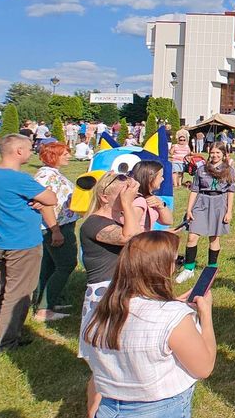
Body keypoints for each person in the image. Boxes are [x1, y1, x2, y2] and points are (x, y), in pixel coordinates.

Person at [80, 232, 217, 418]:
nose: (177, 267)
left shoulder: (98, 312)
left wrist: (167, 305)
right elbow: (204, 367)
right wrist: (206, 315)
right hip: (162, 409)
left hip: (109, 407)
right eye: (177, 261)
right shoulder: (173, 317)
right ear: (160, 268)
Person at [0, 134, 60, 352]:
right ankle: (5, 342)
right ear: (18, 151)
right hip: (21, 243)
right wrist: (39, 201)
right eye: (30, 149)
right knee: (18, 293)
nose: (31, 153)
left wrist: (33, 202)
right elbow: (51, 198)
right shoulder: (18, 179)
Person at [78, 171, 146, 416]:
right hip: (104, 296)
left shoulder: (113, 221)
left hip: (117, 292)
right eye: (121, 195)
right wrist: (129, 203)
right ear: (105, 197)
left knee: (115, 362)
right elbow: (132, 237)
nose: (127, 198)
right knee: (103, 367)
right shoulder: (94, 223)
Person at [31, 141, 79, 322]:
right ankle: (44, 310)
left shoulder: (51, 173)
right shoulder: (46, 176)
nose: (69, 155)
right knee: (66, 264)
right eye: (64, 153)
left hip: (58, 225)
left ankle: (44, 301)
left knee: (50, 265)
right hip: (56, 227)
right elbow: (45, 205)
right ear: (53, 156)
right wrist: (55, 230)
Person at [176, 141, 234, 283]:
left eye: (218, 153)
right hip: (201, 202)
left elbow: (231, 191)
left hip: (219, 203)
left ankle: (211, 269)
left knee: (214, 238)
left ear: (223, 154)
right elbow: (194, 189)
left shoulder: (229, 170)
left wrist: (229, 211)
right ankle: (189, 269)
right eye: (212, 152)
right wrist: (189, 209)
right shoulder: (202, 169)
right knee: (192, 236)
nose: (214, 155)